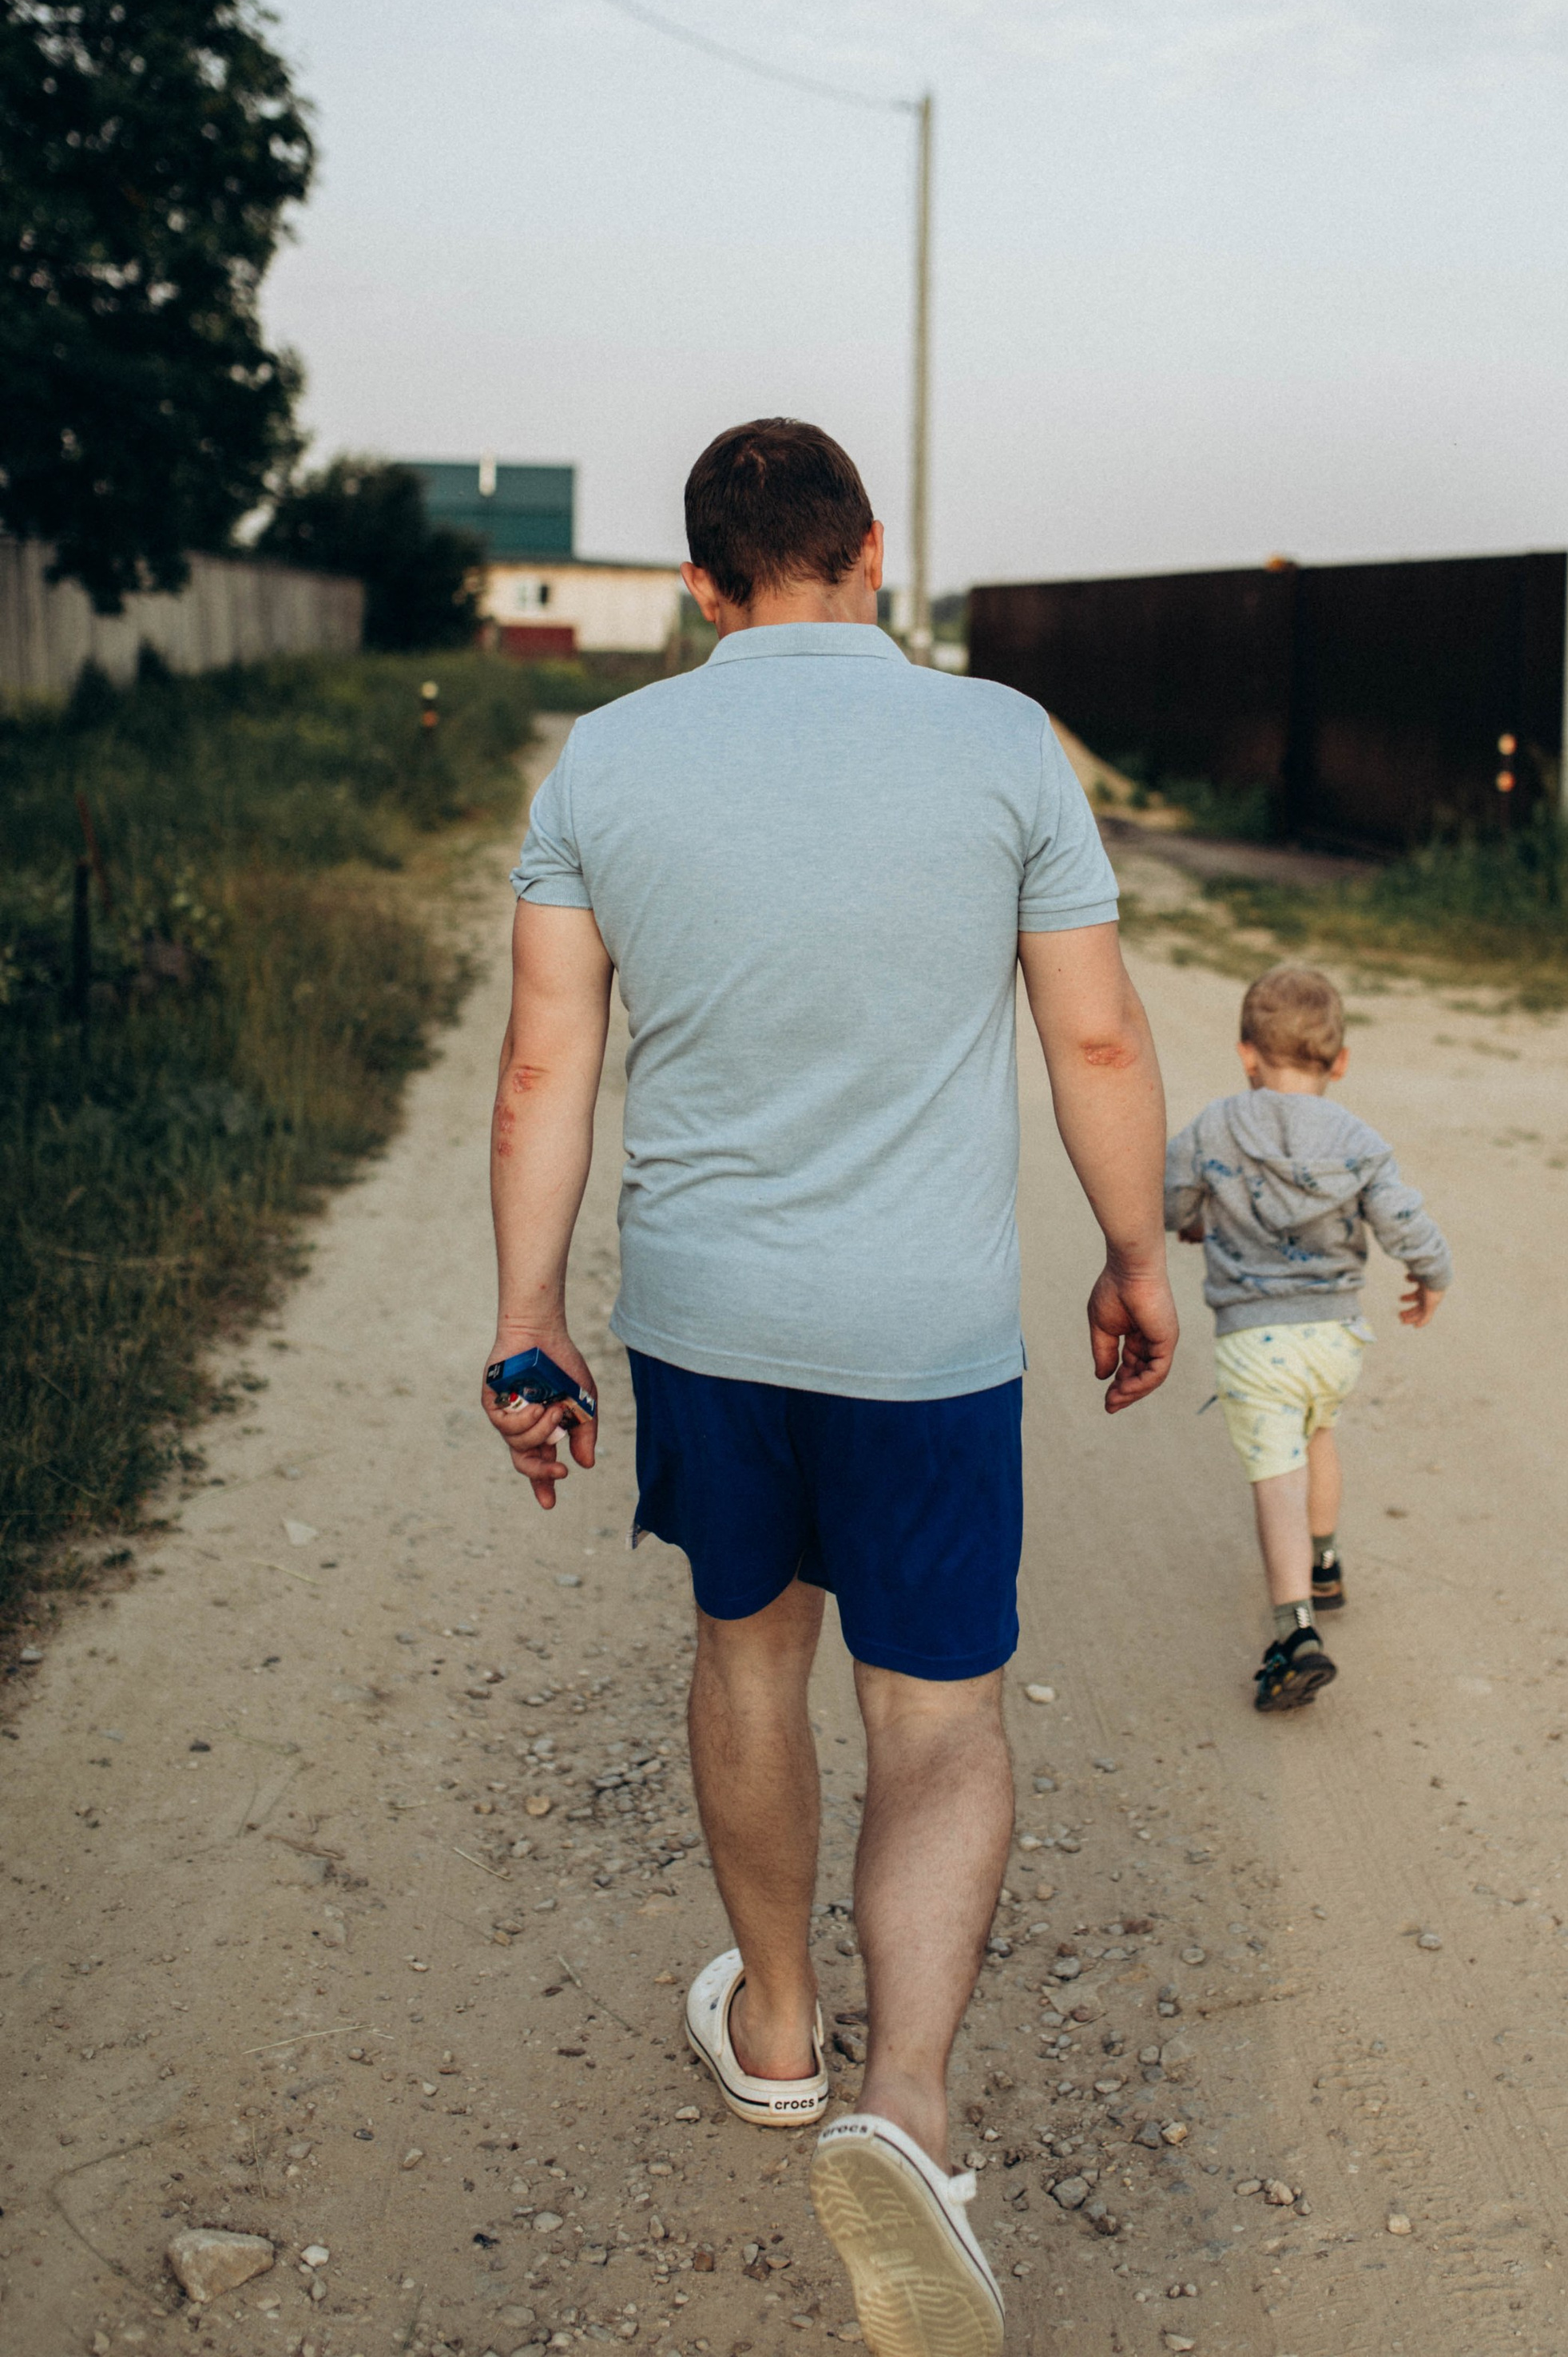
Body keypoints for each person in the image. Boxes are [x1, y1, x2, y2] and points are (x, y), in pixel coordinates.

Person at [481, 418, 1177, 2357]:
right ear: (869, 549)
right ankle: (910, 2109)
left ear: (702, 580)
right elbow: (1097, 1032)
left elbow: (545, 1070)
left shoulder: (607, 759)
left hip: (707, 1323)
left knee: (745, 1655)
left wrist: (528, 1320)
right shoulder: (1000, 742)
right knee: (935, 1718)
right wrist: (1131, 1251)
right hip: (924, 1335)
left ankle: (778, 2029)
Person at [1165, 962, 1451, 1712]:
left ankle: (1294, 1635)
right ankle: (1325, 1566)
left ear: (1246, 1052)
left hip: (1257, 1342)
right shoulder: (1358, 1139)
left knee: (1276, 1477)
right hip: (1335, 1336)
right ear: (1342, 1061)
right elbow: (1403, 1220)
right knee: (1317, 1432)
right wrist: (1433, 1274)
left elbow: (1170, 1197)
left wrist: (1193, 1216)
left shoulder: (1216, 1126)